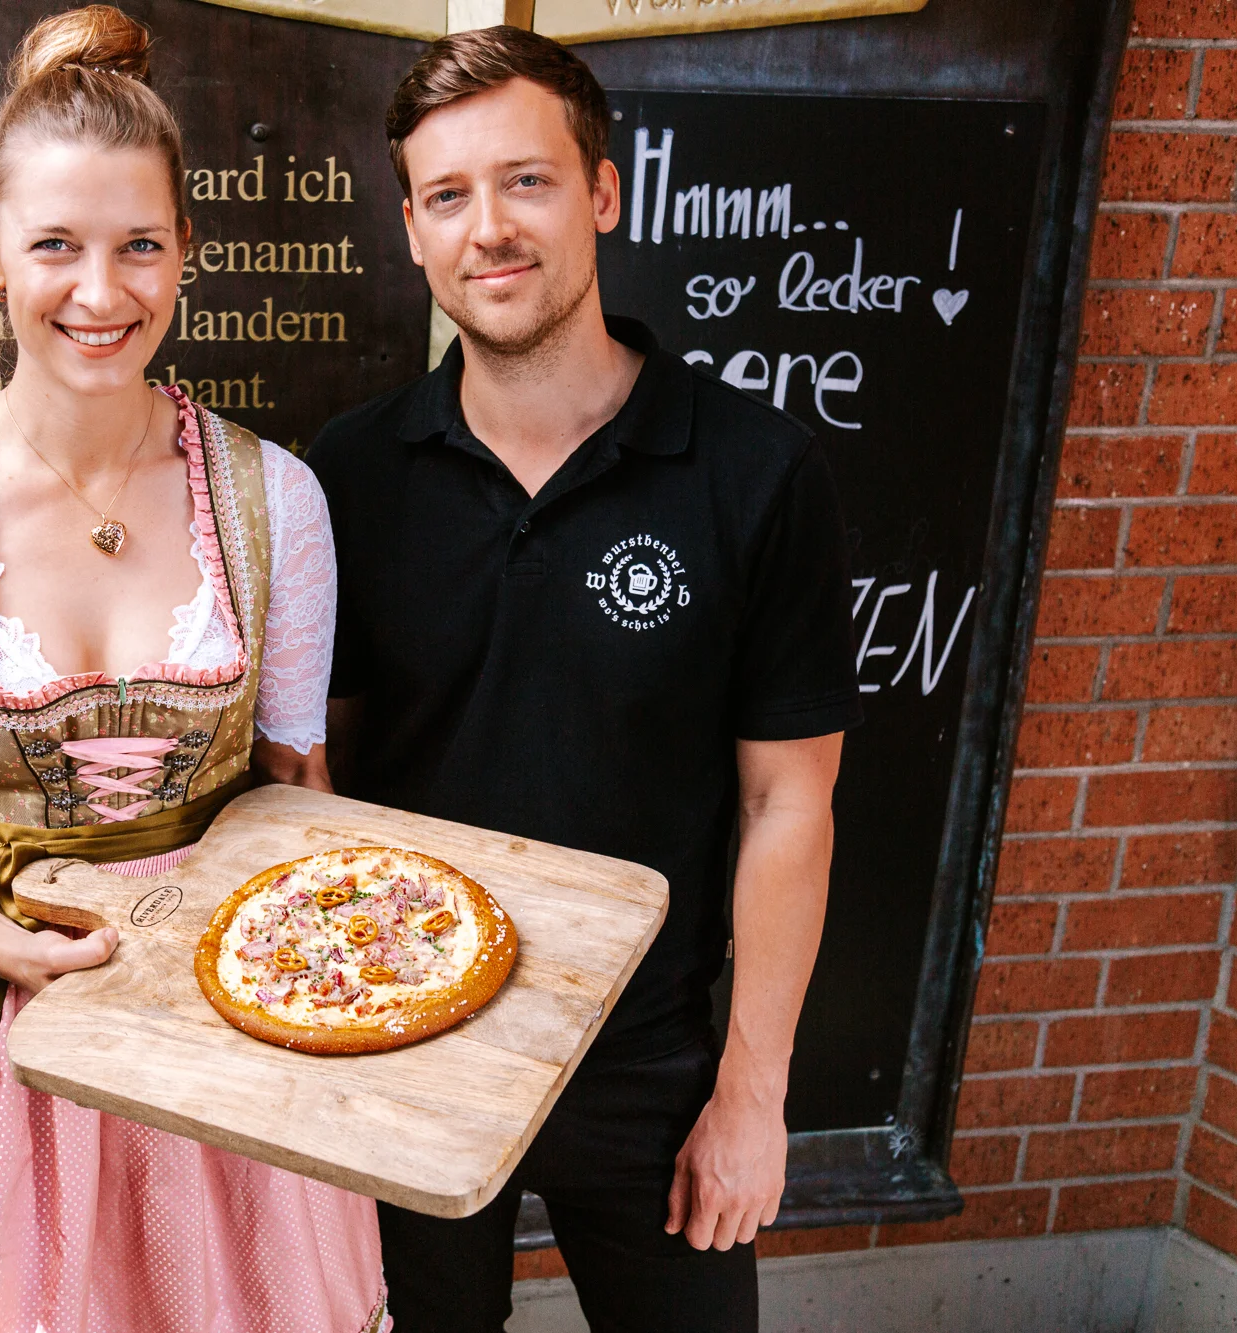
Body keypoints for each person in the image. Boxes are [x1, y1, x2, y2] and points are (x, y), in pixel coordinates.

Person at [0, 9, 385, 1331]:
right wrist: (2, 950)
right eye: (55, 243)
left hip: (221, 1027)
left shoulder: (278, 500)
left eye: (139, 246)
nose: (101, 294)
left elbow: (297, 786)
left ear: (187, 254)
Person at [305, 27, 863, 1333]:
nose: (488, 228)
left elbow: (789, 803)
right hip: (412, 1054)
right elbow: (319, 774)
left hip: (652, 1063)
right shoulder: (349, 476)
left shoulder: (755, 473)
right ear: (412, 230)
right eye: (448, 196)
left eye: (527, 181)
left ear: (602, 193)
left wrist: (753, 1092)